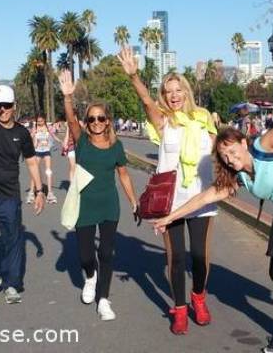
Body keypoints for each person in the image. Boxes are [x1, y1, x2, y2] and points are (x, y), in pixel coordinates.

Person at [153, 60, 273, 353]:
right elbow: (203, 198)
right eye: (224, 156)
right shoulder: (238, 176)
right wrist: (168, 217)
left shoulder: (264, 145)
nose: (231, 159)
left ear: (244, 143)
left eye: (232, 151)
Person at [118, 47, 218, 335]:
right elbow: (146, 100)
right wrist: (134, 76)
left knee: (200, 257)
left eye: (178, 90)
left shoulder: (203, 119)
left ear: (186, 92)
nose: (174, 95)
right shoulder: (162, 121)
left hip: (202, 198)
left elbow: (220, 153)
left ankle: (198, 297)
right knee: (176, 259)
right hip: (172, 201)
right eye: (168, 91)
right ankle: (179, 308)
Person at [58, 69, 138, 321]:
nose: (95, 123)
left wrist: (133, 201)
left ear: (108, 121)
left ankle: (104, 299)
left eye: (100, 118)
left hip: (108, 206)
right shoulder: (81, 142)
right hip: (85, 205)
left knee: (106, 253)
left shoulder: (116, 146)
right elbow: (71, 121)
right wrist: (68, 97)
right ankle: (90, 277)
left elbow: (123, 175)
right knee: (85, 256)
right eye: (91, 119)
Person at [0, 72, 45, 305]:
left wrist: (39, 191)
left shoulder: (22, 133)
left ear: (14, 106)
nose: (2, 110)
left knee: (13, 240)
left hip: (9, 197)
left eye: (7, 105)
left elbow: (32, 161)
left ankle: (12, 284)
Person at [26, 113, 62, 204]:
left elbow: (54, 136)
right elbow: (29, 138)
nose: (39, 123)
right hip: (37, 152)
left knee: (48, 171)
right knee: (35, 171)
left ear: (44, 120)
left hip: (46, 151)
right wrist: (32, 134)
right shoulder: (35, 128)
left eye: (41, 121)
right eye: (38, 121)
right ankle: (31, 192)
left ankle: (50, 192)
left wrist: (61, 141)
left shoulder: (48, 127)